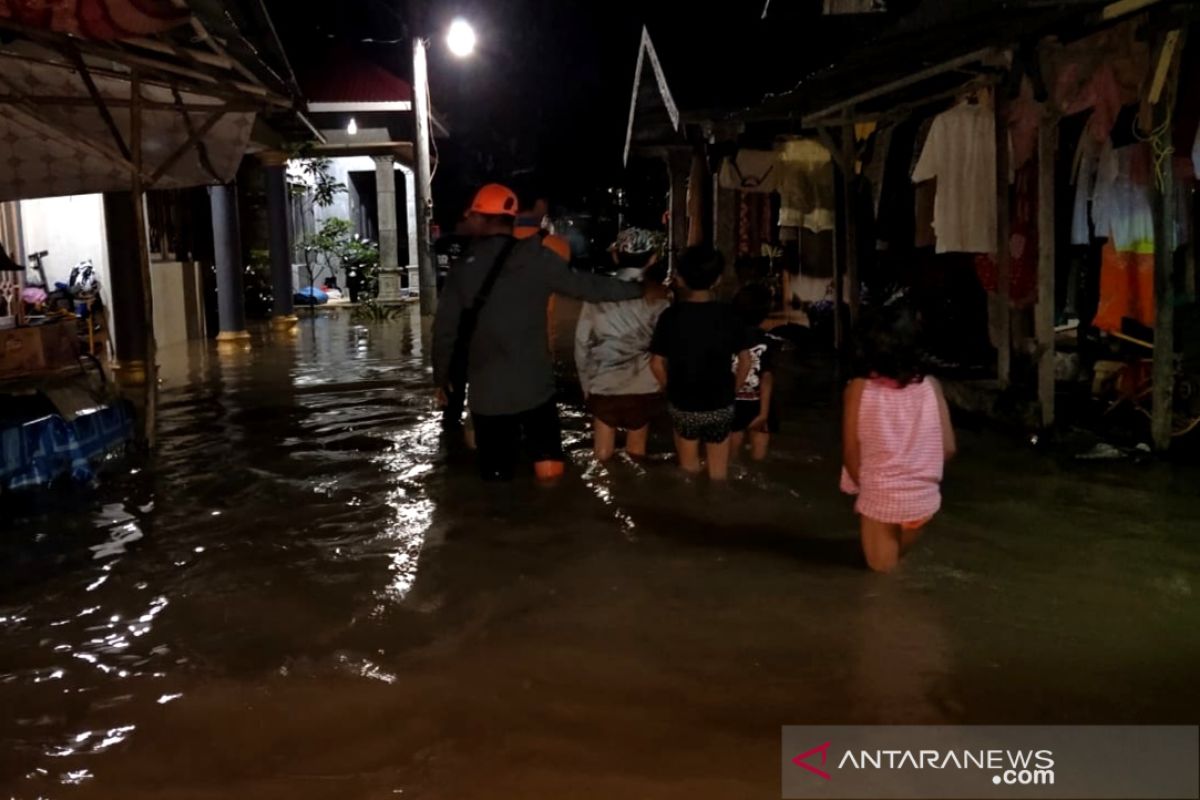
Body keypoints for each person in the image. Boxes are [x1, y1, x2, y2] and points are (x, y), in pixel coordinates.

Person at [433, 183, 643, 482]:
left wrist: (441, 378)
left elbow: (444, 332)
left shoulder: (463, 269)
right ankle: (551, 515)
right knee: (548, 466)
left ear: (481, 219)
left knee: (496, 476)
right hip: (535, 386)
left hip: (487, 392)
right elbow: (589, 287)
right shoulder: (538, 258)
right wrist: (639, 290)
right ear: (511, 218)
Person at [840, 305, 956, 573]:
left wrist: (871, 490)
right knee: (896, 568)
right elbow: (948, 448)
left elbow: (850, 453)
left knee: (882, 585)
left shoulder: (858, 388)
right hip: (923, 500)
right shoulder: (931, 386)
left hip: (881, 495)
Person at [649, 245, 751, 481]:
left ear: (681, 279)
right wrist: (732, 390)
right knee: (719, 475)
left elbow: (656, 363)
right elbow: (745, 361)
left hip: (684, 403)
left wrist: (670, 389)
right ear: (717, 280)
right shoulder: (729, 315)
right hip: (719, 403)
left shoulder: (670, 316)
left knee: (688, 471)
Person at [574, 228, 670, 461]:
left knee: (601, 455)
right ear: (653, 258)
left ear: (616, 256)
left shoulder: (597, 294)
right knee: (637, 453)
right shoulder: (661, 298)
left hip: (604, 385)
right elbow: (666, 351)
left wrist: (586, 386)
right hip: (645, 387)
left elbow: (581, 345)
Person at [730, 283, 781, 461]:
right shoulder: (767, 340)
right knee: (759, 460)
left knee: (730, 460)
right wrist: (764, 413)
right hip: (759, 404)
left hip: (732, 404)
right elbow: (767, 377)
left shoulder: (727, 336)